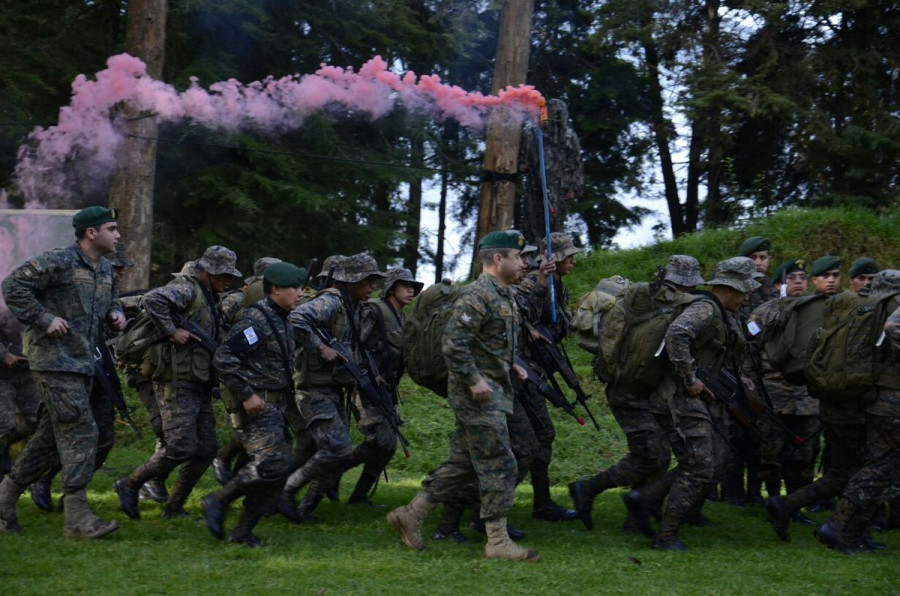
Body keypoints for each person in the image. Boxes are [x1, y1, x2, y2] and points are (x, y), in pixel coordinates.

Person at [387, 230, 539, 562]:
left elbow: (490, 341)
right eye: (518, 256)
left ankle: (411, 514)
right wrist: (473, 380)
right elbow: (453, 342)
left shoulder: (503, 294)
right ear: (498, 259)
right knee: (499, 460)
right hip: (478, 396)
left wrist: (511, 365)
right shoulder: (477, 295)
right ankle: (497, 541)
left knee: (465, 461)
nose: (524, 262)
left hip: (496, 390)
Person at [0, 206, 124, 538]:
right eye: (111, 228)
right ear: (91, 233)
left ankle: (4, 500)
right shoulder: (58, 261)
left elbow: (112, 300)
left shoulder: (104, 269)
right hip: (53, 361)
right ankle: (78, 519)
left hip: (83, 363)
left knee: (51, 439)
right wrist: (43, 318)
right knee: (82, 431)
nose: (118, 235)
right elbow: (12, 286)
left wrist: (115, 313)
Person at [628, 257, 757, 550]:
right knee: (700, 464)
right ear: (730, 288)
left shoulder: (721, 310)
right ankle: (666, 535)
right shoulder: (705, 308)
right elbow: (678, 334)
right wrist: (688, 379)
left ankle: (645, 499)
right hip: (681, 397)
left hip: (697, 397)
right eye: (744, 290)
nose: (748, 296)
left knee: (713, 459)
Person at [569, 255, 702, 530]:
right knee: (651, 454)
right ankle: (589, 488)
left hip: (645, 390)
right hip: (627, 391)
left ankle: (635, 512)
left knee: (657, 454)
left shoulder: (658, 302)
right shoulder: (653, 302)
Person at [116, 245, 240, 520]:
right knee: (180, 446)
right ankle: (130, 483)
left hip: (198, 381)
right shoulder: (187, 289)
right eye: (224, 274)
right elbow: (152, 300)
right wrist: (173, 331)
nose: (228, 280)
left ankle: (174, 507)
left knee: (207, 448)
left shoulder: (210, 297)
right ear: (208, 272)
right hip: (175, 380)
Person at [201, 262, 306, 546]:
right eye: (294, 288)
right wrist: (246, 394)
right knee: (271, 464)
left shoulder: (283, 318)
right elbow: (224, 357)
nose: (301, 293)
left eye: (301, 287)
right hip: (256, 406)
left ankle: (243, 533)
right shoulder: (257, 320)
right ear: (275, 289)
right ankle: (217, 500)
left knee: (278, 471)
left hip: (276, 406)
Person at [766, 255, 868, 540]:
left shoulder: (846, 304)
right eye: (827, 275)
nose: (832, 279)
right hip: (832, 397)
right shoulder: (808, 309)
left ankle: (786, 504)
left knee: (835, 470)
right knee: (860, 468)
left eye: (837, 274)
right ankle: (845, 526)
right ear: (815, 280)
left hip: (824, 399)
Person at [277, 253, 385, 523]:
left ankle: (305, 509)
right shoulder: (331, 301)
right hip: (313, 389)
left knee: (339, 453)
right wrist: (320, 346)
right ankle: (286, 490)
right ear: (353, 280)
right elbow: (296, 319)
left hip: (333, 387)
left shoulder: (352, 306)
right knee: (337, 449)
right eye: (368, 280)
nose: (373, 285)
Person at [814, 270, 900, 553]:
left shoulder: (870, 307)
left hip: (880, 399)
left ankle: (854, 532)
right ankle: (838, 528)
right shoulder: (890, 308)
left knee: (882, 467)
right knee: (880, 468)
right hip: (893, 400)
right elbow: (894, 328)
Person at [745, 260, 819, 524]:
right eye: (792, 278)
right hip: (774, 395)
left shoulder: (816, 311)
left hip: (808, 397)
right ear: (779, 285)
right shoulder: (764, 313)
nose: (798, 282)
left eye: (803, 277)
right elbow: (748, 351)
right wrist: (751, 386)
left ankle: (794, 505)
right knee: (772, 454)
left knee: (805, 455)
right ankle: (773, 500)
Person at [515, 232, 582, 522]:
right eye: (569, 256)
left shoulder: (559, 287)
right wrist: (541, 284)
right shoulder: (531, 283)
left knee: (538, 438)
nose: (574, 261)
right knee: (537, 437)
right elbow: (522, 316)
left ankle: (541, 503)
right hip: (525, 372)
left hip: (540, 369)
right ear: (553, 258)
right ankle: (487, 504)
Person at [347, 267, 423, 506]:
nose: (411, 290)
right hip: (365, 387)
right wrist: (364, 378)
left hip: (386, 391)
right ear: (391, 288)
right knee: (382, 441)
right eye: (405, 285)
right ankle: (331, 468)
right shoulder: (375, 311)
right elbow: (358, 346)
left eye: (414, 287)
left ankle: (358, 496)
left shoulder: (402, 318)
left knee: (386, 447)